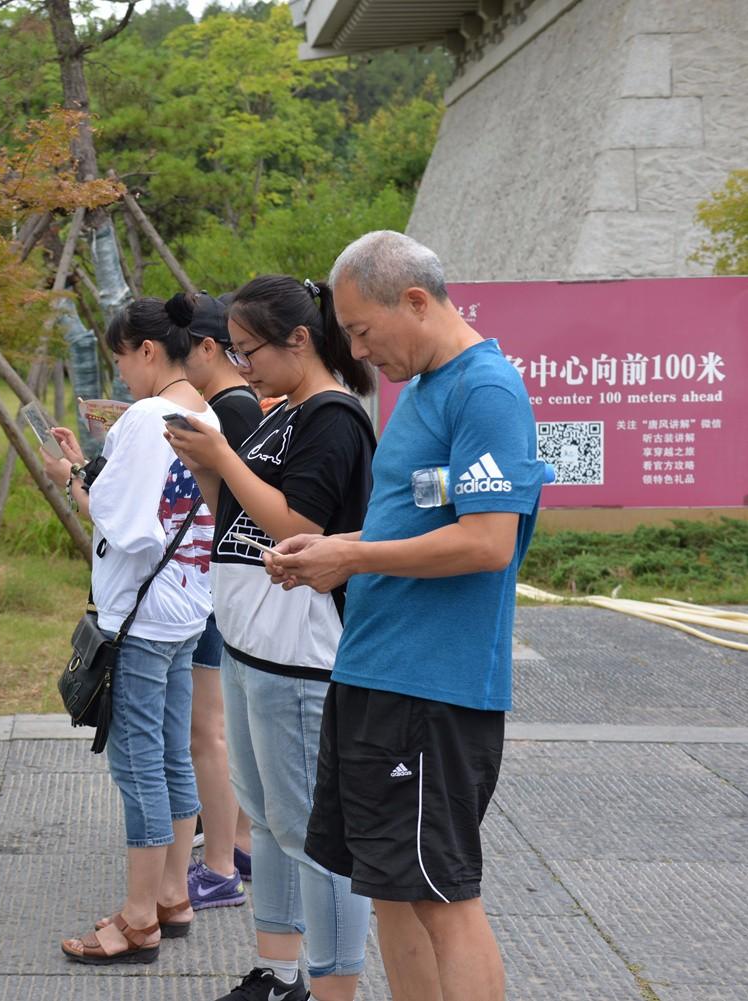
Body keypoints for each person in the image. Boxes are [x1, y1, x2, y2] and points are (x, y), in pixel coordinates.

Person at [265, 231, 545, 1001]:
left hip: (432, 687)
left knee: (442, 895)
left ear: (416, 301)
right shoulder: (421, 388)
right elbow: (411, 527)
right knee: (386, 883)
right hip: (377, 673)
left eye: (360, 330)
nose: (357, 349)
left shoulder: (484, 390)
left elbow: (488, 542)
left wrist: (350, 559)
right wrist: (332, 546)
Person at [167, 275, 376, 1001]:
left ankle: (331, 983)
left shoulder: (333, 417)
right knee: (275, 823)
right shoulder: (279, 410)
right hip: (251, 642)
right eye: (233, 349)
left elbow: (300, 528)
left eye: (249, 349)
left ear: (299, 339)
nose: (241, 363)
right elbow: (244, 514)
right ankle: (278, 970)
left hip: (301, 654)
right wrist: (209, 466)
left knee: (314, 834)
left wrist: (222, 459)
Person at [42, 297, 220, 964]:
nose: (120, 373)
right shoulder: (201, 409)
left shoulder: (147, 417)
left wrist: (74, 480)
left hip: (142, 618)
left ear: (147, 349)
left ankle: (140, 915)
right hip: (184, 608)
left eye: (121, 357)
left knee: (138, 761)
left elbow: (125, 525)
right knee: (172, 752)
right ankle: (171, 893)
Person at [173, 291, 258, 911]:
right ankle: (241, 844)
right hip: (221, 581)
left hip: (217, 582)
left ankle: (220, 865)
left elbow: (235, 505)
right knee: (224, 727)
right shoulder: (232, 405)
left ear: (208, 347)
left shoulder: (230, 410)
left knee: (210, 732)